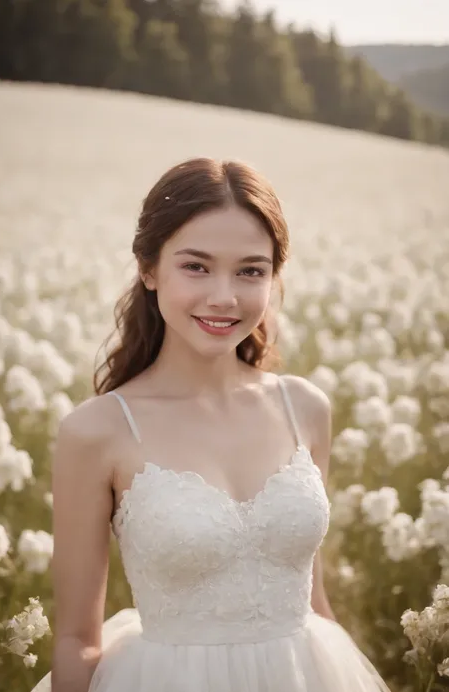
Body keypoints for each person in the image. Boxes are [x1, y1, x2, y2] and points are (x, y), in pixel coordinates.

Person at [32, 157, 390, 691]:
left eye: (251, 270)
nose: (224, 296)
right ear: (149, 269)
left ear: (273, 277)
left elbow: (313, 602)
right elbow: (76, 639)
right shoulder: (97, 431)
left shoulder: (305, 408)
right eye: (196, 266)